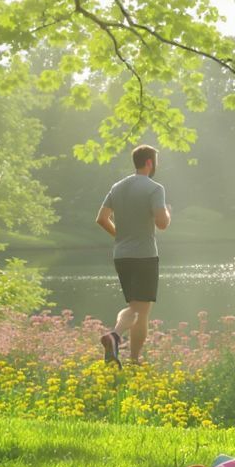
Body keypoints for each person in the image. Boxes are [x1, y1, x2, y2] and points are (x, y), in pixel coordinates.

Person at [95, 144, 171, 366]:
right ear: (149, 162)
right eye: (155, 162)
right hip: (145, 256)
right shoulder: (155, 188)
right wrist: (168, 211)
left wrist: (121, 236)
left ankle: (131, 357)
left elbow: (101, 218)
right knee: (141, 311)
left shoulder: (117, 187)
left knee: (136, 309)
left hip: (122, 256)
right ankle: (118, 339)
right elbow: (162, 223)